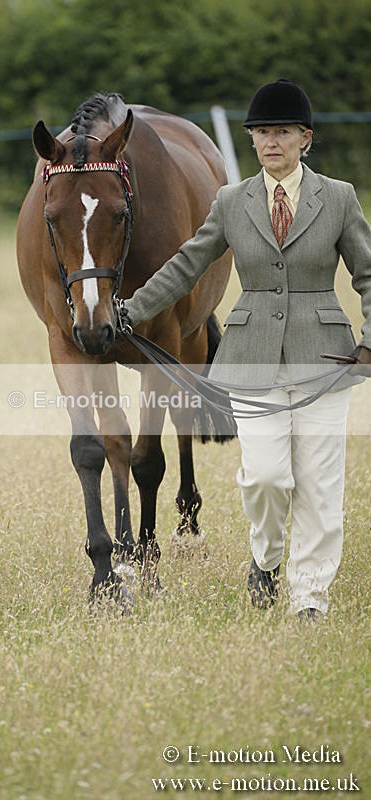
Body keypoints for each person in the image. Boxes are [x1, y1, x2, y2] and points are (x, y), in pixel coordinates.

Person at [123, 78, 371, 621]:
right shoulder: (231, 202)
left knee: (319, 485)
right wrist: (132, 310)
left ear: (306, 138)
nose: (270, 143)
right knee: (266, 477)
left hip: (325, 357)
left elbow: (368, 273)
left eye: (281, 132)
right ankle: (266, 557)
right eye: (261, 133)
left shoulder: (341, 198)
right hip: (251, 357)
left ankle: (310, 599)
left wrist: (369, 341)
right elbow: (187, 264)